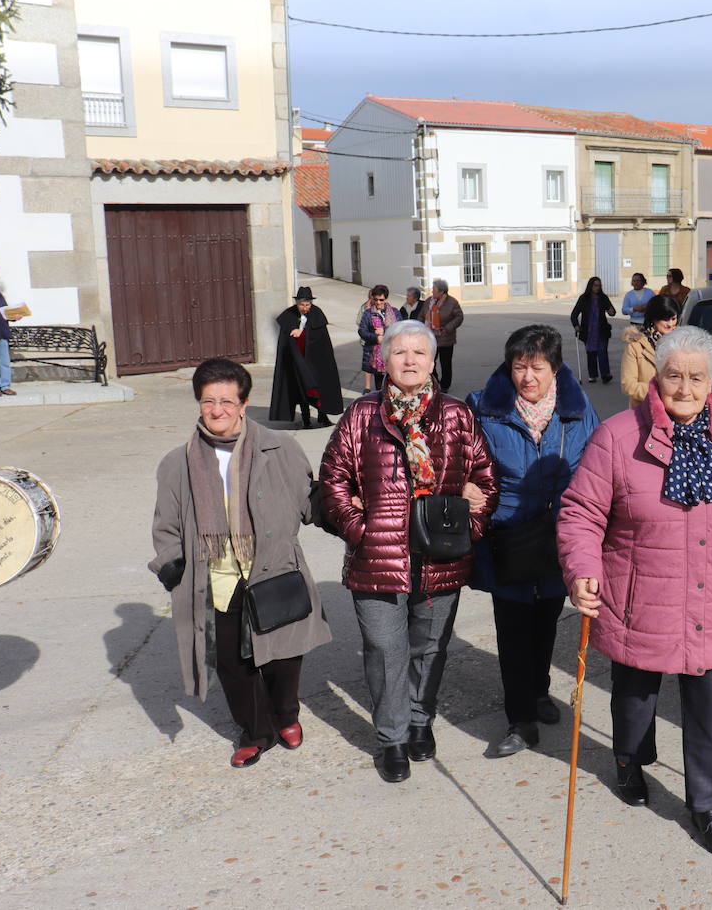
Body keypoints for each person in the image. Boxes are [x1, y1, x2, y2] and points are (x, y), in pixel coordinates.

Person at [557, 326, 712, 856]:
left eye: (697, 377)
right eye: (674, 376)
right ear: (655, 377)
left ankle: (708, 803)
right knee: (635, 703)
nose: (685, 388)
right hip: (639, 599)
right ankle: (629, 761)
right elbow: (580, 514)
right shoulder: (618, 437)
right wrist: (581, 570)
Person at [320, 319, 498, 784]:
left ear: (433, 361)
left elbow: (485, 480)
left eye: (420, 353)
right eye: (401, 353)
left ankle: (420, 719)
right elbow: (333, 481)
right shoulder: (362, 415)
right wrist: (360, 530)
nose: (410, 361)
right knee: (384, 649)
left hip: (440, 557)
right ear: (384, 359)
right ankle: (391, 737)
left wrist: (468, 530)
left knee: (430, 647)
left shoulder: (457, 416)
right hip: (377, 557)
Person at [149, 358, 332, 768]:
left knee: (284, 654)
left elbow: (309, 501)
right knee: (233, 662)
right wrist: (170, 563)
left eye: (227, 401)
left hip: (274, 567)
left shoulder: (279, 447)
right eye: (208, 401)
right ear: (198, 403)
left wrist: (342, 506)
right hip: (215, 575)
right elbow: (166, 525)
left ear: (244, 403)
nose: (217, 410)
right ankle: (255, 730)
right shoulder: (177, 464)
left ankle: (286, 714)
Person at [466, 325, 600, 757]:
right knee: (513, 629)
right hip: (508, 536)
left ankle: (539, 691)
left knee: (546, 620)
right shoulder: (485, 410)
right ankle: (519, 720)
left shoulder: (579, 412)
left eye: (537, 367)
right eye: (519, 366)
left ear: (555, 369)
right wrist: (467, 489)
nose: (527, 377)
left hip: (560, 536)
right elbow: (464, 463)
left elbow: (597, 469)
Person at [270, 286, 344, 429]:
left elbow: (320, 338)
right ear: (296, 303)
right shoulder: (289, 315)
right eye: (301, 304)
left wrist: (302, 333)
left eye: (307, 304)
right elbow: (286, 340)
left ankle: (323, 416)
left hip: (316, 361)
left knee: (320, 388)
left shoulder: (317, 314)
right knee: (302, 389)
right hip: (298, 361)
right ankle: (306, 419)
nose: (304, 308)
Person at [619, 294, 680, 408]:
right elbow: (628, 385)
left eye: (673, 319)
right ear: (653, 318)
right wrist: (659, 392)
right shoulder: (635, 346)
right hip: (645, 412)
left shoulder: (683, 342)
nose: (670, 324)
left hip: (677, 410)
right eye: (665, 319)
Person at [569, 276, 616, 384]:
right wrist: (576, 325)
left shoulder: (603, 298)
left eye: (599, 286)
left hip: (602, 330)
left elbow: (612, 311)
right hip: (588, 330)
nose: (597, 288)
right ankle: (593, 375)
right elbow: (574, 315)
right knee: (591, 353)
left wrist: (611, 311)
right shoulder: (583, 298)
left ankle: (605, 374)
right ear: (590, 286)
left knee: (602, 352)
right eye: (595, 285)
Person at [358, 285, 399, 393]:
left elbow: (400, 329)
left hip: (391, 353)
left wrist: (385, 330)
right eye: (376, 300)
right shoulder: (368, 313)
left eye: (381, 300)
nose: (378, 302)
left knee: (394, 384)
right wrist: (376, 338)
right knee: (379, 385)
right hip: (375, 354)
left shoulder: (394, 312)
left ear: (386, 299)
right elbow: (362, 331)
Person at [426, 279, 465, 392]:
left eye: (434, 290)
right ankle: (434, 382)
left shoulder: (452, 302)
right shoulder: (430, 301)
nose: (432, 291)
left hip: (446, 338)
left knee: (445, 363)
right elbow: (423, 314)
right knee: (430, 361)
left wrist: (447, 328)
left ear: (442, 291)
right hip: (430, 337)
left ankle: (445, 385)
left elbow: (459, 317)